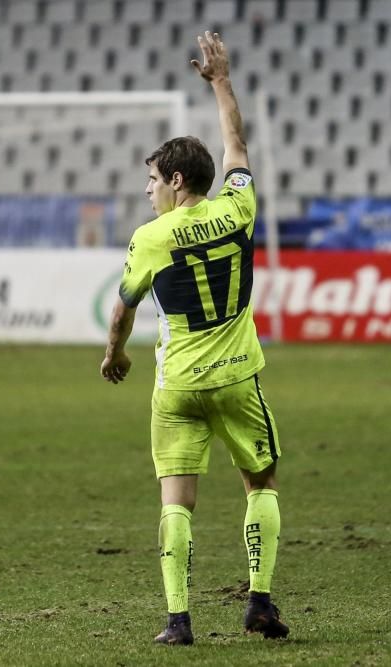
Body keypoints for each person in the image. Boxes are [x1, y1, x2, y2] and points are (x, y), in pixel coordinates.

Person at [100, 32, 288, 646]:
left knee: (176, 503)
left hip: (176, 384)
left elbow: (122, 311)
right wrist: (221, 82)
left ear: (177, 180)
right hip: (238, 377)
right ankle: (258, 602)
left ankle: (177, 621)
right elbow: (237, 141)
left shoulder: (151, 237)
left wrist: (114, 353)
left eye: (153, 179)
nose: (148, 189)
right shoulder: (240, 206)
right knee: (260, 483)